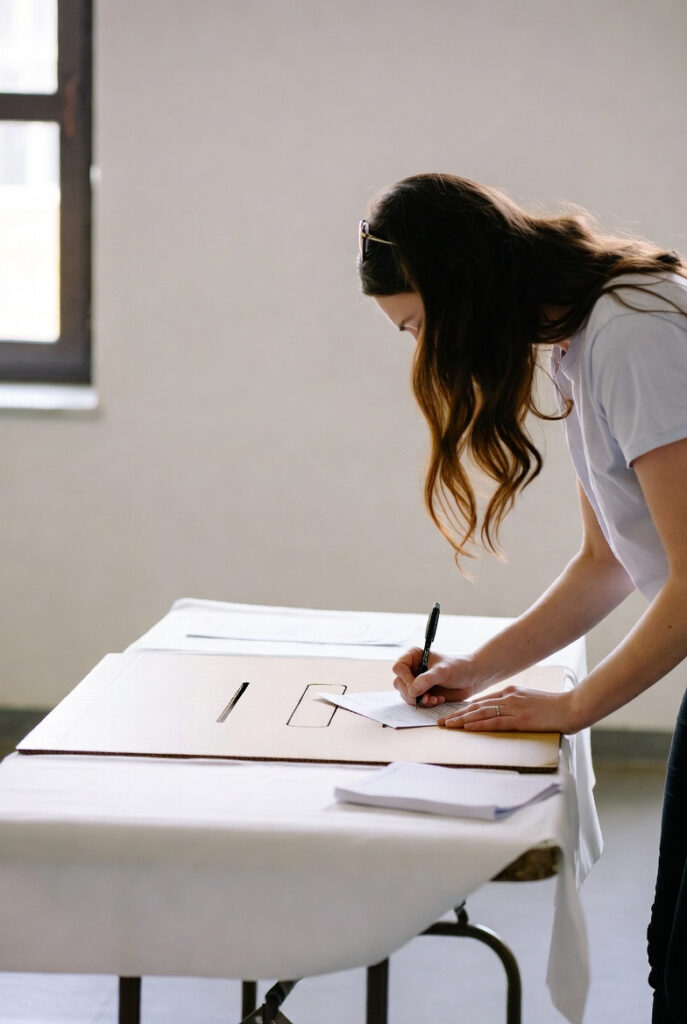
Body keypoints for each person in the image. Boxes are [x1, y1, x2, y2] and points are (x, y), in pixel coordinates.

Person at [357, 173, 687, 1023]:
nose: (423, 352)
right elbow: (603, 560)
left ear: (461, 290)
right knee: (671, 951)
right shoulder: (579, 336)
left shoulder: (634, 332)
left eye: (419, 326)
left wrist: (574, 704)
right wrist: (473, 669)